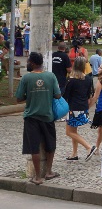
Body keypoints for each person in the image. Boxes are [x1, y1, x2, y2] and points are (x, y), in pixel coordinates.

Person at [15, 52, 62, 185]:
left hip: (31, 117)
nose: (27, 63)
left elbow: (18, 98)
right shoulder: (51, 76)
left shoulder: (26, 78)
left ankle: (37, 177)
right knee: (50, 144)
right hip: (47, 116)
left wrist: (30, 95)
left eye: (28, 61)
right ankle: (48, 171)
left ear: (33, 63)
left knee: (34, 146)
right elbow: (58, 95)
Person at [63, 56, 97, 161]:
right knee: (74, 131)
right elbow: (89, 94)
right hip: (83, 107)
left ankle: (89, 147)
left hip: (73, 108)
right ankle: (74, 153)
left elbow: (66, 95)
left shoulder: (71, 80)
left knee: (69, 132)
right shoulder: (88, 79)